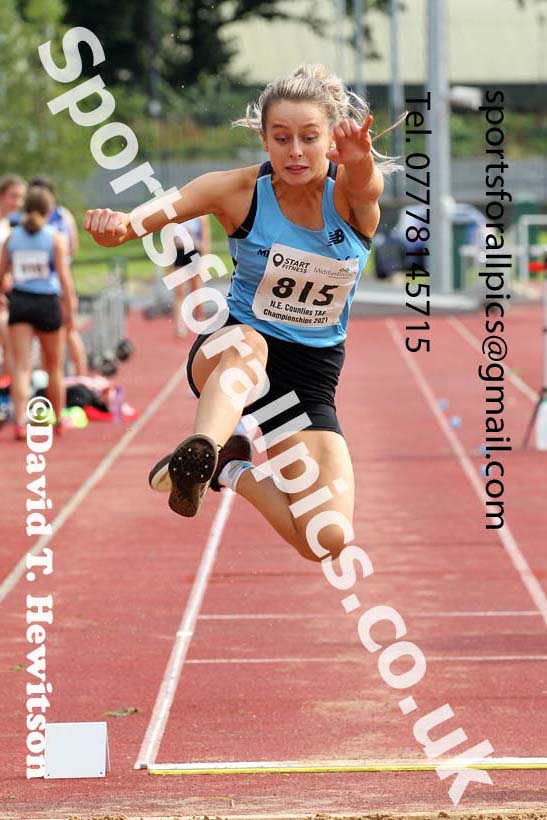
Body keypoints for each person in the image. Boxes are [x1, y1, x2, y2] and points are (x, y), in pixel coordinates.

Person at [84, 64, 395, 562]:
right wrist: (116, 226)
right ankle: (203, 448)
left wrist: (359, 162)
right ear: (264, 139)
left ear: (330, 141)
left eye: (309, 138)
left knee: (329, 539)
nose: (295, 151)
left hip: (308, 379)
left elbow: (367, 186)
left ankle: (229, 468)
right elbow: (144, 219)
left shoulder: (349, 198)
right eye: (281, 138)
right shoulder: (235, 190)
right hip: (233, 350)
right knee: (250, 344)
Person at [0, 186, 76, 439]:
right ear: (48, 210)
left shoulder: (13, 238)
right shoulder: (54, 237)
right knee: (54, 365)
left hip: (20, 302)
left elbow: (1, 273)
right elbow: (64, 277)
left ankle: (21, 422)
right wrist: (70, 306)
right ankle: (58, 419)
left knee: (21, 367)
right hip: (47, 303)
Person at [28, 176, 88, 377]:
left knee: (64, 332)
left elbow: (72, 247)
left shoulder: (58, 217)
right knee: (59, 334)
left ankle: (79, 378)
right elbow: (73, 248)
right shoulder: (60, 216)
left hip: (52, 282)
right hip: (53, 282)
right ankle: (69, 378)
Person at [0, 174, 26, 383]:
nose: (18, 202)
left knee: (9, 341)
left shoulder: (8, 223)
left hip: (6, 293)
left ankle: (6, 390)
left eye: (21, 197)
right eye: (13, 196)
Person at [171, 215, 211, 336]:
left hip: (195, 251)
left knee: (196, 290)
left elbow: (206, 236)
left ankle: (200, 320)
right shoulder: (179, 212)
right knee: (180, 292)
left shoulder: (202, 215)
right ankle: (180, 326)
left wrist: (205, 258)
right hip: (179, 252)